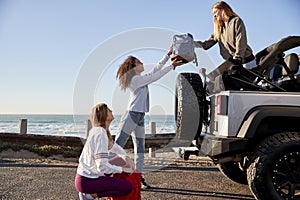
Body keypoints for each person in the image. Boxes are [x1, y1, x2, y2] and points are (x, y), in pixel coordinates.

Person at [115, 47, 184, 189]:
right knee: (118, 145)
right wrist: (172, 66)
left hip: (140, 116)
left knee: (140, 150)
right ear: (133, 67)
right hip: (131, 115)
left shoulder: (141, 79)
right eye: (139, 62)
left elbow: (155, 71)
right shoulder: (135, 80)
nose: (142, 63)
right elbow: (155, 76)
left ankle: (138, 179)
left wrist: (167, 55)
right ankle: (103, 174)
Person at [75, 103, 135, 200]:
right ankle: (90, 195)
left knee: (120, 160)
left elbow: (115, 148)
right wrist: (122, 170)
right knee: (127, 187)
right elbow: (102, 167)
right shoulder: (100, 133)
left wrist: (127, 159)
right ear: (104, 115)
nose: (111, 111)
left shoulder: (99, 131)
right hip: (87, 181)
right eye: (109, 110)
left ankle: (95, 191)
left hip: (86, 178)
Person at [196, 1, 256, 72]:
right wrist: (192, 43)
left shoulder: (236, 21)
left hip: (246, 61)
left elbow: (241, 41)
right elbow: (206, 45)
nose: (214, 15)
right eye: (213, 14)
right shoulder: (219, 29)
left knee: (247, 82)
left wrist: (238, 58)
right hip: (233, 63)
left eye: (215, 12)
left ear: (222, 9)